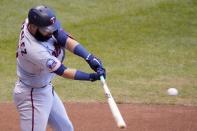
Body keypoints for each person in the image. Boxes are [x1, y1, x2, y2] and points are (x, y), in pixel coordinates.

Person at [13, 5, 106, 131]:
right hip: (32, 96)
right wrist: (91, 77)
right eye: (47, 30)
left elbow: (61, 37)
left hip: (45, 89)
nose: (51, 32)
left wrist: (89, 57)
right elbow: (63, 71)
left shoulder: (32, 23)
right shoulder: (35, 51)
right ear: (34, 28)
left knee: (66, 129)